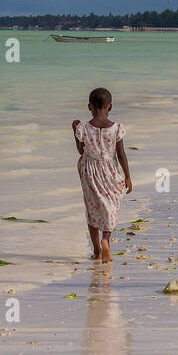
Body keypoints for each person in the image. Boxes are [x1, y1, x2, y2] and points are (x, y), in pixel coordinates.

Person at [72, 88, 133, 262]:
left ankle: (97, 251)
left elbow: (80, 151)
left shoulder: (83, 128)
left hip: (89, 171)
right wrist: (127, 176)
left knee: (92, 209)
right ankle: (106, 239)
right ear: (110, 107)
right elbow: (121, 154)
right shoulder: (116, 129)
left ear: (89, 107)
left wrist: (74, 132)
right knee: (110, 206)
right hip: (110, 171)